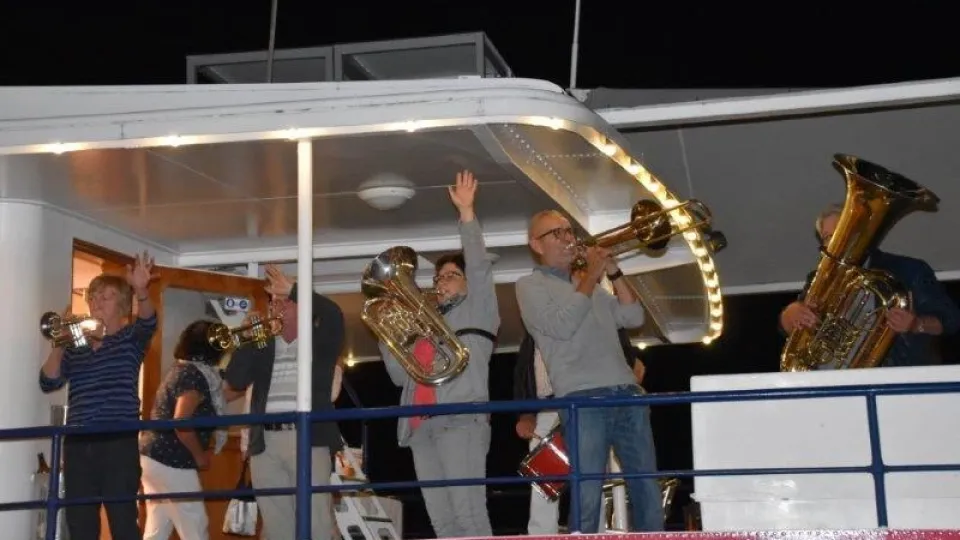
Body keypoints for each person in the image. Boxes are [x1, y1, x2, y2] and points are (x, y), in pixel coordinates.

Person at [515, 209, 662, 533]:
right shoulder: (529, 285)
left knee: (647, 486)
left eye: (569, 230)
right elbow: (562, 325)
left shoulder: (593, 287)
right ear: (536, 245)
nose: (568, 238)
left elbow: (633, 317)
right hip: (582, 398)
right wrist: (592, 275)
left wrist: (613, 271)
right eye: (557, 233)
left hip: (626, 392)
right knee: (587, 492)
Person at [378, 170, 500, 538]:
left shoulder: (478, 309)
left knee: (469, 516)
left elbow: (478, 265)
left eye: (449, 275)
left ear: (467, 283)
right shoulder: (424, 324)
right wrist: (387, 332)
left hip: (459, 421)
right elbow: (399, 377)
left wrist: (467, 214)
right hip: (420, 427)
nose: (439, 282)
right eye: (438, 277)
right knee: (443, 523)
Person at [39, 251, 158, 540]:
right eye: (92, 297)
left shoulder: (129, 338)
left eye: (105, 297)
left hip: (118, 442)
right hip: (78, 444)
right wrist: (60, 342)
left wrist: (141, 290)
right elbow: (48, 381)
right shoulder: (76, 347)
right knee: (80, 525)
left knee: (123, 523)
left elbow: (148, 322)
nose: (96, 303)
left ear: (122, 305)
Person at [223, 264, 346, 540]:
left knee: (317, 522)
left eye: (285, 300)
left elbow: (334, 315)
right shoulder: (263, 344)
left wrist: (296, 289)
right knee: (275, 525)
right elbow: (236, 379)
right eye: (273, 302)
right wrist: (248, 339)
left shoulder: (319, 342)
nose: (276, 307)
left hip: (307, 436)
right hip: (264, 442)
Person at [779, 203, 960, 367]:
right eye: (827, 237)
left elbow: (951, 320)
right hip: (830, 383)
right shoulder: (818, 278)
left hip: (893, 380)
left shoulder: (908, 269)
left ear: (860, 233)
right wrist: (789, 315)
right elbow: (793, 329)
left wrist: (916, 324)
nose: (834, 242)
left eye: (840, 233)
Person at [514, 323, 647, 535]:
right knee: (543, 482)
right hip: (547, 407)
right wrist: (525, 413)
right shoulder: (536, 319)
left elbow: (628, 359)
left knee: (591, 478)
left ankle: (593, 534)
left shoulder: (592, 314)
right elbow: (524, 369)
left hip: (587, 406)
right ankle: (542, 536)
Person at [139, 319, 229, 540]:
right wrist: (199, 456)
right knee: (195, 524)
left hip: (152, 456)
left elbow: (216, 398)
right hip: (172, 460)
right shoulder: (194, 375)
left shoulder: (183, 370)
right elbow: (181, 421)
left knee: (158, 526)